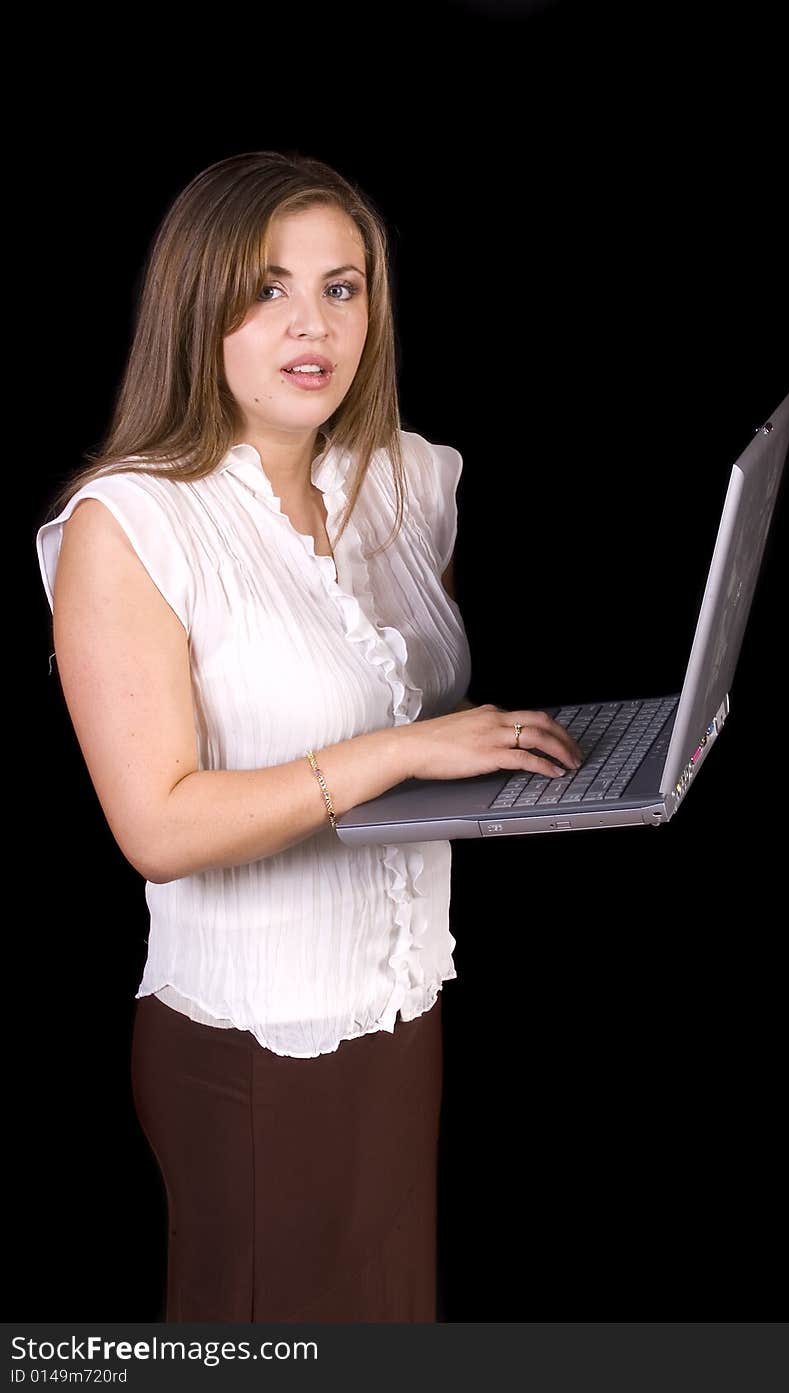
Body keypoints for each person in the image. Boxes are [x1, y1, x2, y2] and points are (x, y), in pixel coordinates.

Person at [34, 149, 584, 1323]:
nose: (312, 322)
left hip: (397, 1010)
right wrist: (399, 754)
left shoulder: (398, 485)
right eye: (267, 286)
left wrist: (522, 763)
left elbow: (414, 712)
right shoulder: (129, 523)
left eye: (342, 287)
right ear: (197, 305)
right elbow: (158, 824)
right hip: (254, 1046)